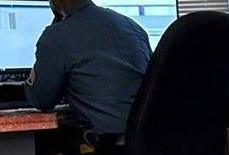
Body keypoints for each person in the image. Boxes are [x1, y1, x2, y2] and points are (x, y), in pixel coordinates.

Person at [25, 0, 151, 141]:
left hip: (111, 150)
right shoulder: (132, 26)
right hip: (150, 144)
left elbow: (41, 100)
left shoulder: (57, 35)